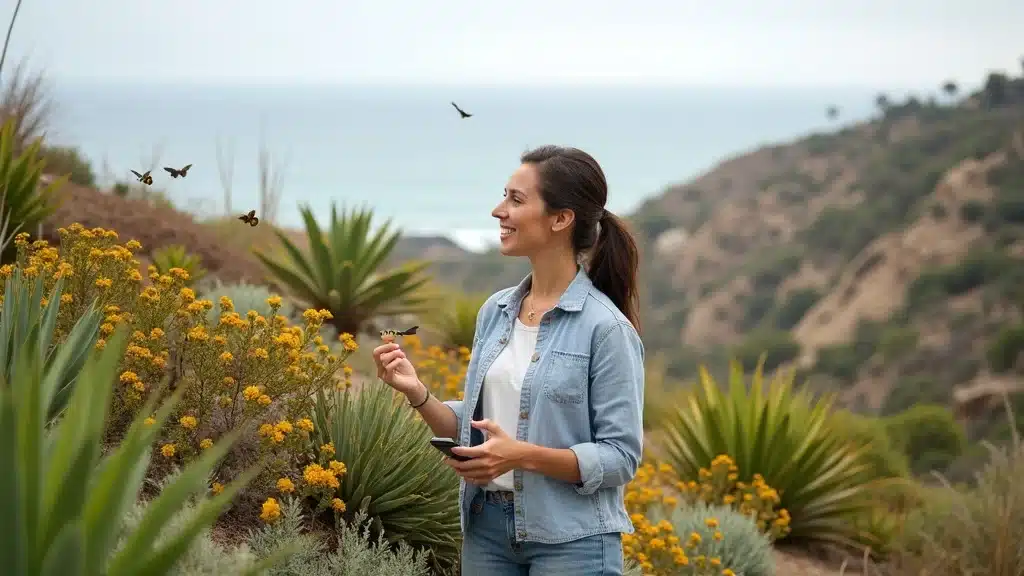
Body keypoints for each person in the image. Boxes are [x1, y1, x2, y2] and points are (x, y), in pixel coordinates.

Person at [372, 145, 644, 575]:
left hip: (572, 544)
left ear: (560, 219)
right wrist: (418, 393)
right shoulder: (496, 311)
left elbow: (620, 458)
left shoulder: (606, 329)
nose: (499, 211)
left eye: (516, 200)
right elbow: (478, 429)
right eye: (504, 196)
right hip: (487, 532)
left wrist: (520, 456)